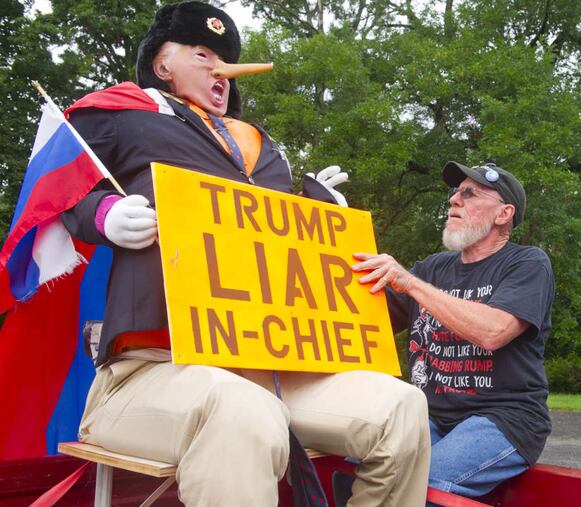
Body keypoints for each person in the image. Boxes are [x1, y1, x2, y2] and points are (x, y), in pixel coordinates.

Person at [61, 2, 430, 506]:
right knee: (244, 410)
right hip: (153, 369)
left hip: (274, 370)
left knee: (402, 406)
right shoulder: (124, 113)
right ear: (162, 64)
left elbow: (278, 253)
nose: (222, 72)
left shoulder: (263, 147)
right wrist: (103, 214)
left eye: (228, 63)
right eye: (203, 54)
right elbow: (58, 185)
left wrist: (319, 217)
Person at [353, 161, 554, 501]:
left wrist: (409, 283)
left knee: (422, 483)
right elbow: (364, 317)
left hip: (504, 418)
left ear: (504, 214)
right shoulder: (432, 268)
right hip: (427, 415)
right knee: (360, 464)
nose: (453, 201)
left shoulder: (527, 263)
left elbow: (494, 330)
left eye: (469, 194)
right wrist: (323, 228)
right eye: (454, 193)